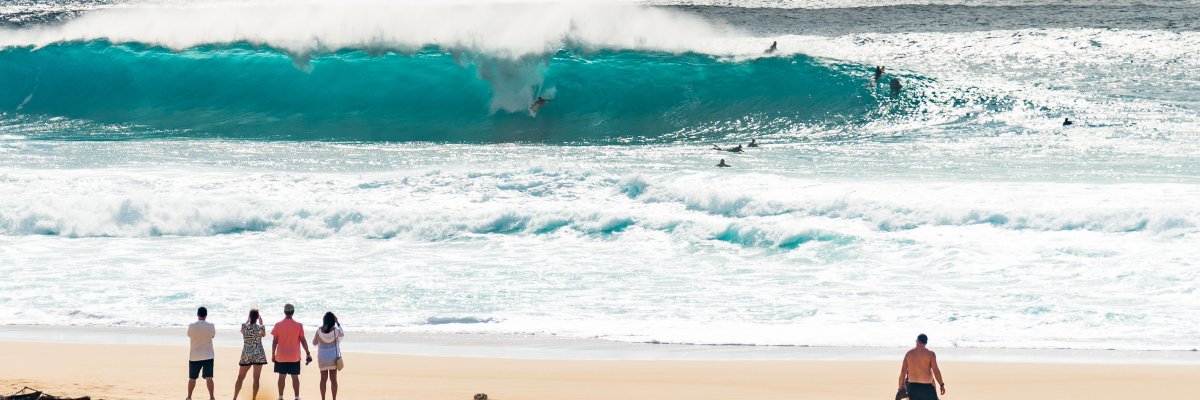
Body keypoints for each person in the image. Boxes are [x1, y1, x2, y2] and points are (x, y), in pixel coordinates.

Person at [272, 304, 311, 400]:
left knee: (281, 377)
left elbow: (274, 341)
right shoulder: (299, 325)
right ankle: (297, 397)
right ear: (293, 312)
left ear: (284, 312)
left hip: (281, 356)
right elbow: (303, 340)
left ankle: (280, 397)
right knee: (295, 377)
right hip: (294, 356)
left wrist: (273, 354)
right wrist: (308, 353)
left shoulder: (278, 325)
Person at [233, 308, 268, 400]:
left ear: (250, 316)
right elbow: (264, 335)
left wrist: (247, 320)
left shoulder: (244, 326)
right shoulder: (261, 327)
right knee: (256, 379)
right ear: (257, 317)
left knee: (240, 377)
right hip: (258, 354)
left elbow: (242, 331)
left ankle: (234, 398)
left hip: (247, 354)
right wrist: (261, 323)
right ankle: (253, 398)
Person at [898, 334, 945, 400]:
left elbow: (903, 372)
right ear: (926, 342)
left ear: (917, 341)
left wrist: (900, 387)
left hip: (912, 387)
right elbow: (935, 371)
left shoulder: (909, 354)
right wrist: (941, 385)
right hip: (927, 387)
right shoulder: (930, 354)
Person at [312, 312, 345, 400]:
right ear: (333, 321)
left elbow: (314, 343)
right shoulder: (336, 330)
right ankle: (334, 398)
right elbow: (342, 335)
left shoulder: (319, 330)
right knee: (333, 380)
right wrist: (338, 323)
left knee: (323, 380)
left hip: (322, 358)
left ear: (324, 320)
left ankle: (323, 398)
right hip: (333, 357)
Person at [187, 306, 216, 400]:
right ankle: (211, 397)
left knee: (192, 378)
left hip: (195, 356)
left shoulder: (192, 325)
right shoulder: (211, 326)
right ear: (206, 315)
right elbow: (212, 336)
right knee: (209, 378)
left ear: (197, 315)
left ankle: (189, 397)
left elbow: (189, 335)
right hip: (208, 355)